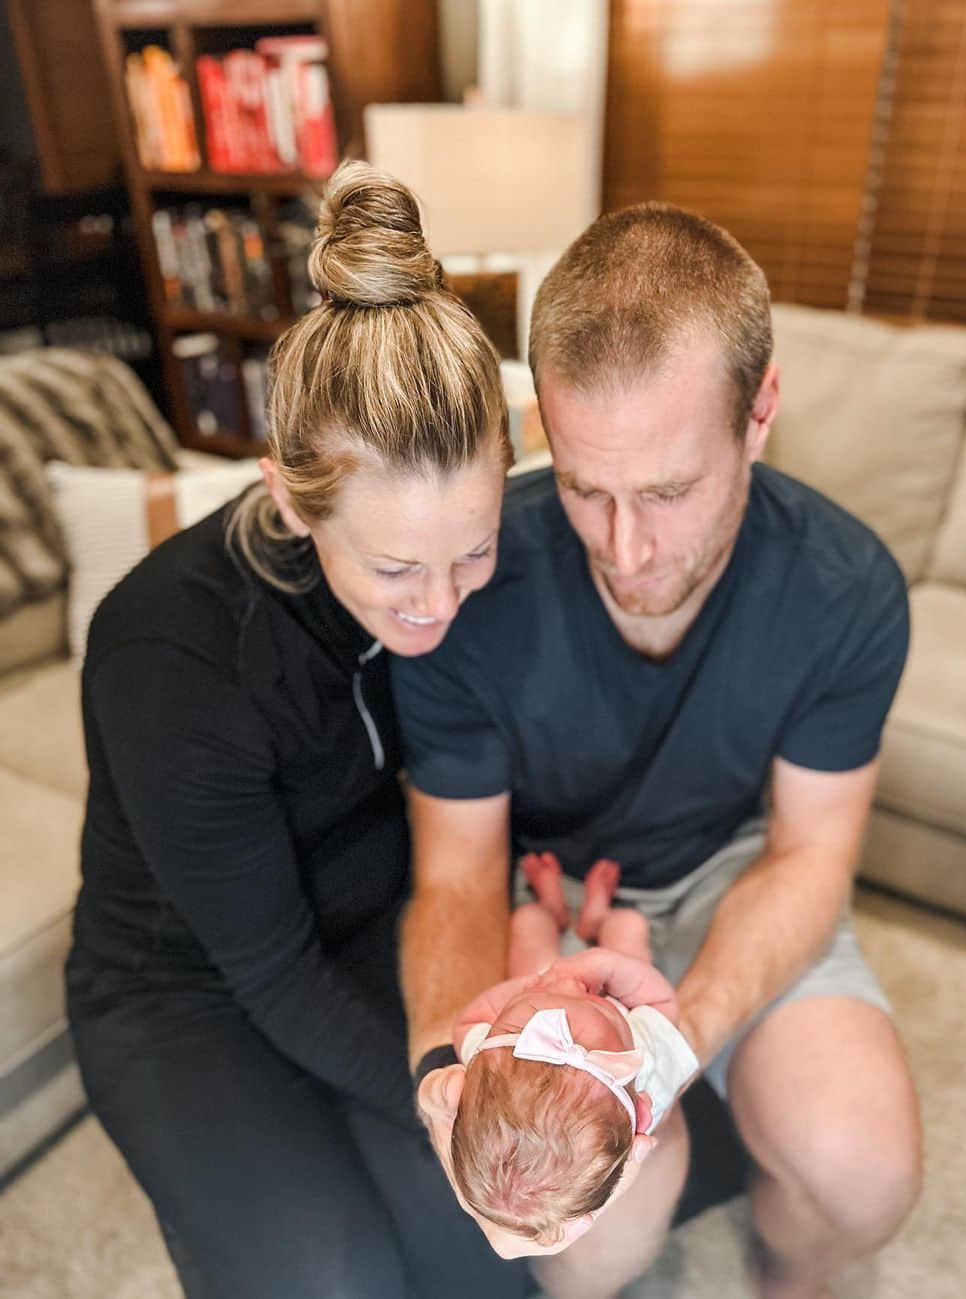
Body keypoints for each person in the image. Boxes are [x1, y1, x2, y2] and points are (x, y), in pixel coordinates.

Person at [395, 202, 923, 1299]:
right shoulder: (470, 587)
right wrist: (448, 1063)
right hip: (551, 902)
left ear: (760, 409)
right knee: (591, 1232)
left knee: (867, 1179)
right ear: (545, 421)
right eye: (588, 488)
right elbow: (453, 875)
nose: (626, 549)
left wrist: (679, 1042)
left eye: (670, 493)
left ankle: (790, 1274)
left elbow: (813, 854)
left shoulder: (846, 590)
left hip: (739, 868)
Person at [65, 161, 530, 1299]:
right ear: (285, 497)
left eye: (470, 551)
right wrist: (445, 1090)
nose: (439, 604)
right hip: (186, 987)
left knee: (480, 1256)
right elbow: (269, 977)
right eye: (394, 568)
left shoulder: (467, 565)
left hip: (365, 924)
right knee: (337, 1281)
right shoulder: (172, 655)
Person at [448, 854, 698, 1246]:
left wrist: (531, 988)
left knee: (528, 922)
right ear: (641, 1115)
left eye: (534, 1017)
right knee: (629, 925)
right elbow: (664, 1005)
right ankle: (599, 922)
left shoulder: (492, 1058)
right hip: (618, 985)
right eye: (594, 1011)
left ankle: (552, 910)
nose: (568, 985)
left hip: (533, 978)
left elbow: (468, 1020)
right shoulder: (649, 1059)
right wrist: (609, 966)